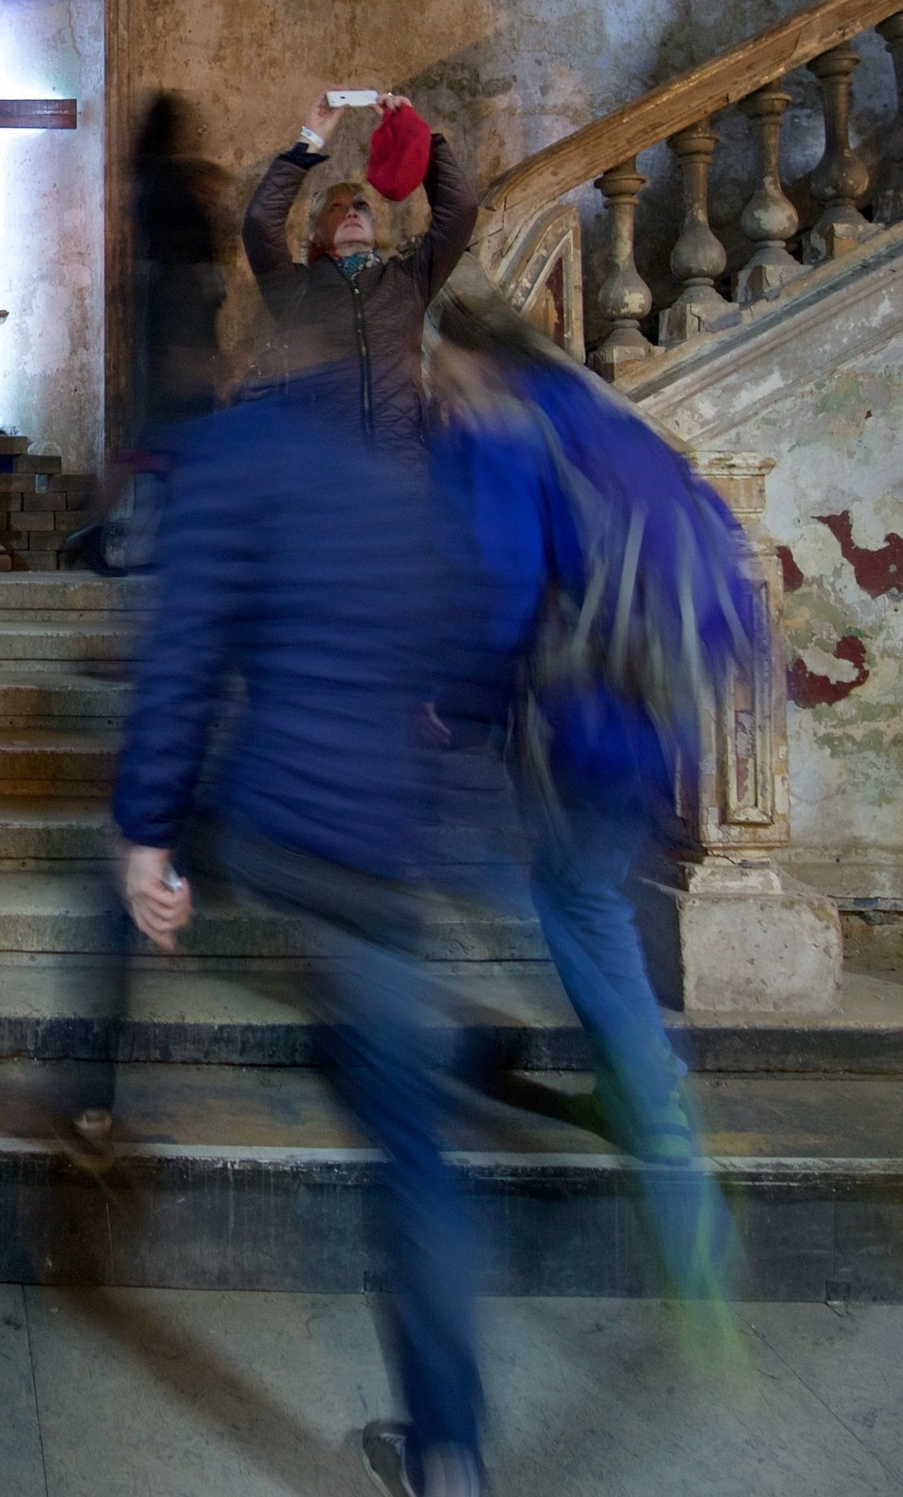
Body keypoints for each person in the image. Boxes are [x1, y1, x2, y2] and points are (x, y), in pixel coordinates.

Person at [110, 313, 490, 1493]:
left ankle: (91, 1092)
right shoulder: (394, 481)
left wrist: (146, 834)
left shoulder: (234, 460)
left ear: (267, 363)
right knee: (411, 1150)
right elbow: (457, 645)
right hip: (380, 839)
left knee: (123, 896)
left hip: (278, 824)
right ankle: (451, 1451)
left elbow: (183, 652)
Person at [425, 273, 755, 1330]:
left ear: (469, 362)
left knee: (575, 906)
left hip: (579, 721)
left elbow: (501, 584)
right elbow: (714, 534)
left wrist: (458, 708)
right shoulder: (609, 420)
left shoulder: (501, 429)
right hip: (662, 712)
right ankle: (636, 1084)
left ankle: (669, 1162)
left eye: (439, 375)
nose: (435, 394)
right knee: (583, 888)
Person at [241, 89, 476, 462]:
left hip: (402, 467)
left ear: (373, 223)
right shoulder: (296, 289)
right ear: (316, 232)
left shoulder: (407, 281)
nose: (351, 212)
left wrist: (418, 134)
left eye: (361, 206)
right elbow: (259, 223)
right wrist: (311, 139)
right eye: (336, 207)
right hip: (326, 474)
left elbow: (459, 210)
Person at [66, 93, 228, 575]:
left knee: (158, 440)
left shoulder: (149, 179)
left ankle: (125, 535)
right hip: (180, 321)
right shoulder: (167, 184)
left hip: (169, 318)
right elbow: (190, 257)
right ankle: (130, 536)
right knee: (169, 437)